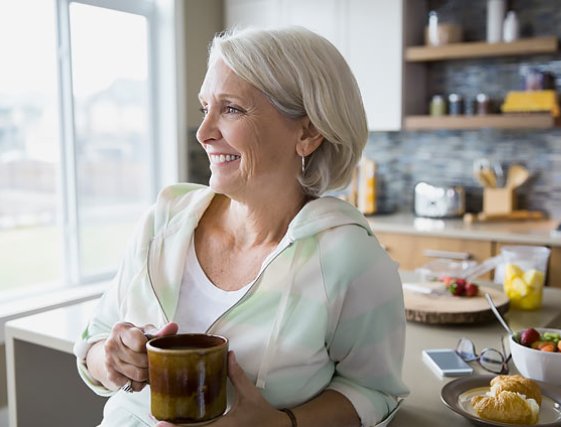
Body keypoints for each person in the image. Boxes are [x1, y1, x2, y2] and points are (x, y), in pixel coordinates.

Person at [74, 25, 409, 427]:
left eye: (231, 108)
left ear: (308, 131)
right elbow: (94, 339)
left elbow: (374, 392)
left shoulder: (349, 259)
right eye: (205, 108)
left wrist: (282, 424)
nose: (203, 133)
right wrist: (109, 358)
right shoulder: (164, 219)